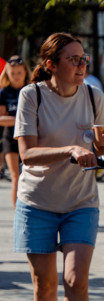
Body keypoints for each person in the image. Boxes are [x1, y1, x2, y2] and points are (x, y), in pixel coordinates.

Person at [14, 33, 104, 301]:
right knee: (44, 285)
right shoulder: (32, 96)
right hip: (37, 201)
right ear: (51, 66)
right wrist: (70, 148)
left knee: (75, 280)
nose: (81, 65)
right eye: (73, 59)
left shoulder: (93, 95)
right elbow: (26, 154)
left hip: (81, 201)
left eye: (84, 58)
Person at [1, 54, 29, 206]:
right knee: (15, 176)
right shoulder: (4, 93)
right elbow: (1, 119)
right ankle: (17, 212)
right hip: (10, 138)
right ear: (7, 74)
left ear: (25, 72)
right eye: (13, 73)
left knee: (30, 176)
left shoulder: (32, 89)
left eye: (19, 72)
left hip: (30, 137)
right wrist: (22, 120)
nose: (16, 76)